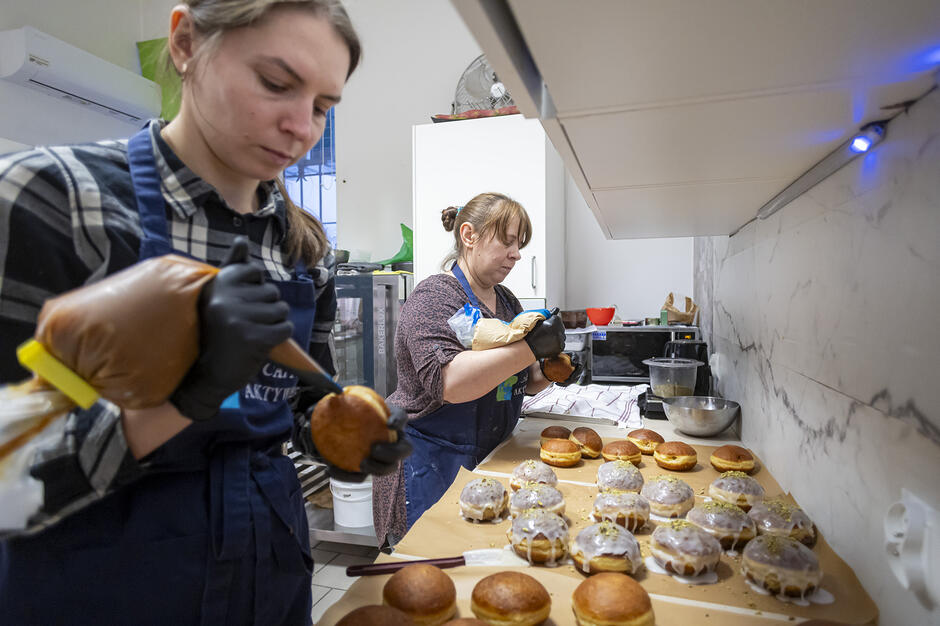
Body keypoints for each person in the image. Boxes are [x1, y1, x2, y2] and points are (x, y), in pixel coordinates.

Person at [0, 1, 410, 623]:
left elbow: (301, 407)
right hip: (102, 586)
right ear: (187, 42)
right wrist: (186, 394)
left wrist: (346, 439)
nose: (301, 127)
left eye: (323, 107)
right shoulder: (55, 203)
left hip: (268, 579)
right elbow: (9, 480)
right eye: (275, 83)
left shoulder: (302, 251)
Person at [373, 192, 566, 548]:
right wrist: (530, 347)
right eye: (507, 241)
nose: (516, 254)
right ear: (469, 235)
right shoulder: (434, 297)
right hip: (430, 461)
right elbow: (451, 383)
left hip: (487, 455)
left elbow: (522, 378)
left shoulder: (507, 300)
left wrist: (552, 371)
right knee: (429, 567)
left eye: (520, 244)